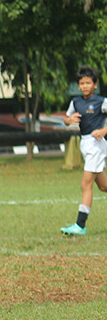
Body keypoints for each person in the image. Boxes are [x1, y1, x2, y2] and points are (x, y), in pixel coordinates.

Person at [62, 66, 107, 236]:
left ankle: (80, 225)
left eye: (89, 82)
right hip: (85, 144)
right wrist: (69, 120)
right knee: (103, 186)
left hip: (97, 145)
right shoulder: (76, 102)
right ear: (78, 86)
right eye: (82, 83)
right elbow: (67, 119)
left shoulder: (101, 101)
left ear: (95, 85)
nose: (85, 86)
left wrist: (104, 131)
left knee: (85, 184)